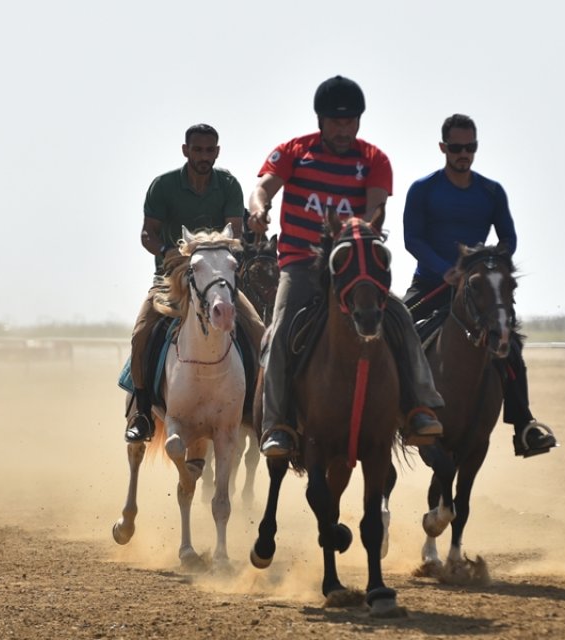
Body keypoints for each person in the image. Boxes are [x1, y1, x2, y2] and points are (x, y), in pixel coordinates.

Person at [247, 75, 444, 458]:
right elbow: (264, 187)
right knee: (281, 331)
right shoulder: (294, 151)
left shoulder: (373, 160)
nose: (343, 129)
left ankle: (421, 406)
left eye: (350, 121)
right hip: (301, 266)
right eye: (336, 121)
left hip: (354, 268)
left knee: (401, 318)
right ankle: (277, 426)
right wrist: (259, 208)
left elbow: (374, 208)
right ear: (320, 121)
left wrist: (359, 227)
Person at [402, 113, 557, 457]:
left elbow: (509, 239)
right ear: (443, 147)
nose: (463, 154)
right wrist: (446, 270)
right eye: (456, 147)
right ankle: (392, 417)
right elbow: (412, 239)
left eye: (470, 147)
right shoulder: (423, 190)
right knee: (396, 333)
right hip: (430, 284)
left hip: (479, 292)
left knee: (510, 343)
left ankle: (524, 426)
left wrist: (490, 267)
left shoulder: (491, 192)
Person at [125, 123, 260, 442]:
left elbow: (235, 232)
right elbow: (148, 233)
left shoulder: (228, 184)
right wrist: (169, 253)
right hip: (171, 281)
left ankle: (259, 409)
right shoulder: (164, 186)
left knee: (259, 331)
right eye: (197, 150)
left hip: (218, 281)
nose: (204, 156)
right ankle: (143, 412)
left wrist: (217, 259)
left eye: (210, 150)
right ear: (186, 150)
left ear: (217, 152)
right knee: (141, 333)